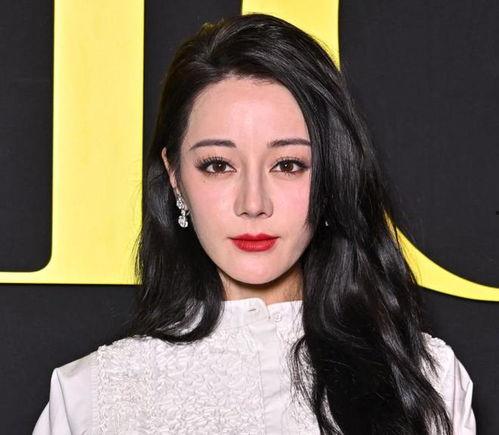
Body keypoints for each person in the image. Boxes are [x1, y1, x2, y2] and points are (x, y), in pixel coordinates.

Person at [33, 13, 476, 434]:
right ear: (175, 177)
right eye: (218, 165)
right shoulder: (91, 397)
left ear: (331, 173)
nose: (253, 204)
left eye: (287, 164)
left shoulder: (429, 378)